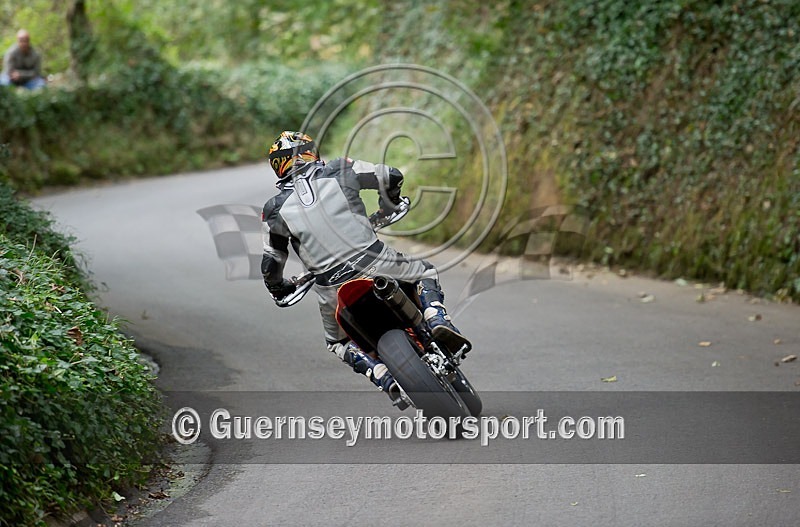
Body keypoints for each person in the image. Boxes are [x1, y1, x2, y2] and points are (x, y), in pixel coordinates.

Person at [261, 131, 468, 405]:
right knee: (424, 272)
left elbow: (271, 262)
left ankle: (383, 376)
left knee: (338, 343)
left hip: (331, 289)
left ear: (278, 167)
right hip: (375, 261)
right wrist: (388, 206)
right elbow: (391, 175)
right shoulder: (340, 168)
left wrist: (279, 286)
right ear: (313, 152)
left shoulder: (273, 209)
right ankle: (436, 319)